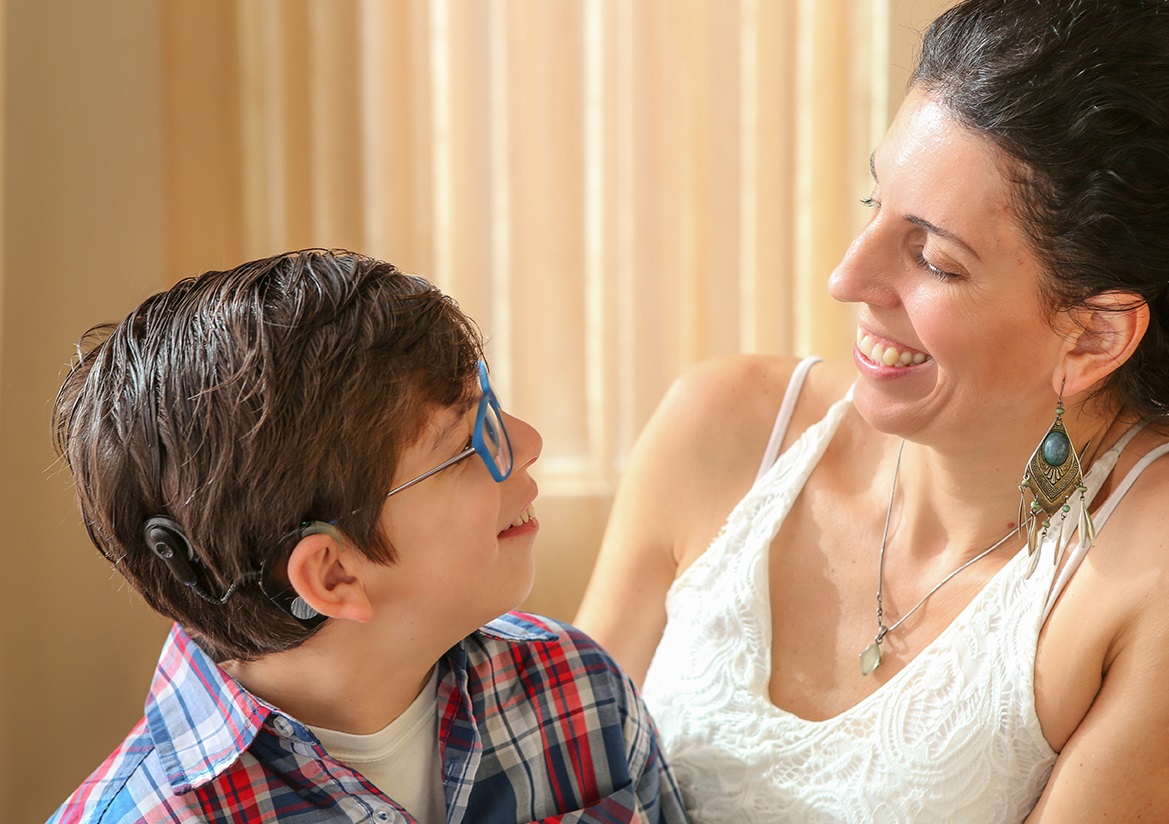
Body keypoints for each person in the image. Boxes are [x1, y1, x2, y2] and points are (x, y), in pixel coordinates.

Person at [574, 0, 1169, 820]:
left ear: (1092, 337)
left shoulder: (1144, 570)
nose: (846, 278)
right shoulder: (722, 425)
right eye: (872, 203)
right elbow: (548, 774)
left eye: (932, 257)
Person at [48, 249, 687, 824]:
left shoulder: (579, 693)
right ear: (333, 575)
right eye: (465, 444)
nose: (527, 442)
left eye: (487, 403)